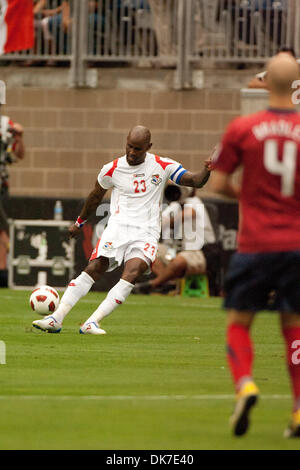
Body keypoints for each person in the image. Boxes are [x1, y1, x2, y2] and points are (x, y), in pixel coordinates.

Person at [32, 125, 211, 335]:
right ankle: (56, 318)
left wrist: (207, 169)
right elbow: (95, 196)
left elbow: (195, 180)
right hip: (117, 228)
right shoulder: (112, 168)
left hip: (145, 233)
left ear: (148, 147)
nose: (132, 153)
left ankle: (92, 322)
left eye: (138, 149)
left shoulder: (163, 166)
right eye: (129, 147)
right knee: (95, 267)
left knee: (132, 273)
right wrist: (79, 222)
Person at [211, 53, 300, 438]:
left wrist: (247, 196)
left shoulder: (243, 127)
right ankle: (298, 410)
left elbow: (217, 184)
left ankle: (245, 383)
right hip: (296, 244)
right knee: (294, 326)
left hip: (255, 243)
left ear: (265, 84)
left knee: (239, 322)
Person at [133, 183, 217, 295]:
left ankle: (152, 285)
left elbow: (189, 213)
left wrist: (169, 220)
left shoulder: (195, 201)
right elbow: (160, 222)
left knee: (179, 260)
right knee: (145, 250)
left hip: (201, 252)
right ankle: (169, 283)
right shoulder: (175, 205)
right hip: (176, 251)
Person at [0, 116, 25, 234]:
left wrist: (19, 138)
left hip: (1, 184)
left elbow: (19, 154)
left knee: (2, 229)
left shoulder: (5, 123)